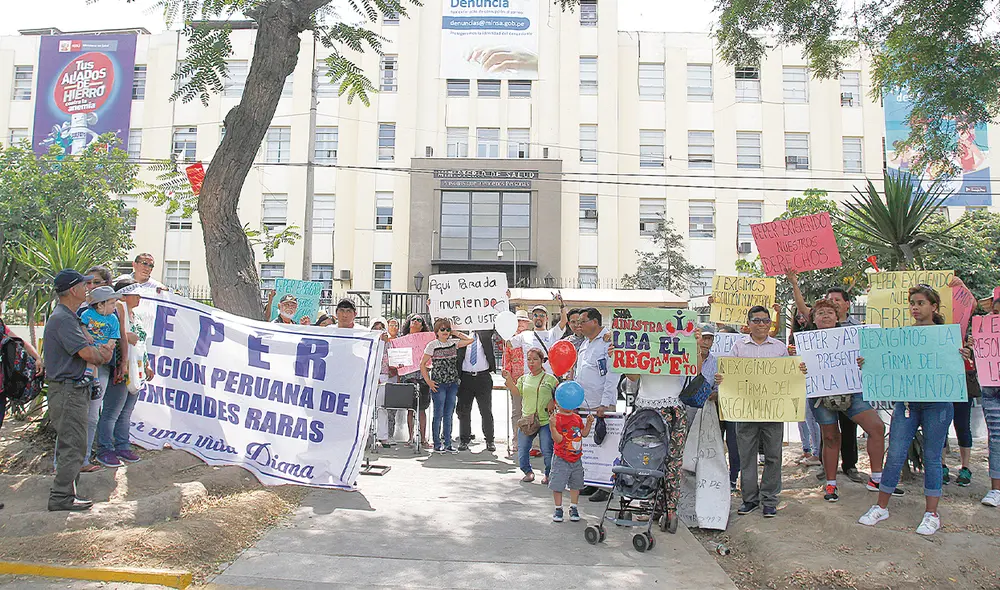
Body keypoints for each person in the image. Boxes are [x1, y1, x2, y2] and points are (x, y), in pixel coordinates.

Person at [858, 284, 971, 535]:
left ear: (933, 307)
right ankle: (881, 507)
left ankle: (931, 514)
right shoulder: (902, 336)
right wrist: (869, 362)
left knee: (932, 458)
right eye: (913, 303)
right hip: (907, 403)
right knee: (896, 453)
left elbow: (956, 368)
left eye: (920, 303)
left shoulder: (947, 337)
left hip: (938, 404)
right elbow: (887, 364)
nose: (915, 308)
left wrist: (962, 355)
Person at [789, 299, 889, 503]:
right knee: (831, 437)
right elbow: (793, 372)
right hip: (820, 395)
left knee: (877, 427)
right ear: (813, 319)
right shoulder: (804, 342)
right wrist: (796, 362)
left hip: (852, 393)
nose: (825, 316)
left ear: (837, 317)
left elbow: (874, 357)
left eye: (829, 312)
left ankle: (877, 478)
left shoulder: (854, 337)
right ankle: (831, 483)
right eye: (820, 313)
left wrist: (864, 361)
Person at [716, 305, 808, 518]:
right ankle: (749, 499)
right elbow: (728, 374)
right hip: (745, 411)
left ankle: (769, 499)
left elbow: (789, 376)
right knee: (746, 456)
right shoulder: (739, 348)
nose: (761, 324)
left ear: (770, 324)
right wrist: (722, 378)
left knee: (774, 456)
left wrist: (799, 369)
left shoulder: (778, 348)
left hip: (773, 411)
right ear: (748, 325)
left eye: (765, 321)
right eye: (756, 321)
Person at [45, 270, 115, 511]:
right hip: (67, 390)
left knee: (75, 444)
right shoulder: (64, 319)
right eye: (83, 286)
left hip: (72, 389)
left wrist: (99, 354)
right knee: (72, 445)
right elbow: (87, 353)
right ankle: (61, 497)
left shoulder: (69, 317)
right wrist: (102, 354)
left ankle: (66, 494)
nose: (88, 289)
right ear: (72, 290)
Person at [788, 271, 865, 484]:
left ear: (846, 304)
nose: (832, 304)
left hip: (848, 388)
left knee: (849, 429)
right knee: (827, 431)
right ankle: (826, 466)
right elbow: (803, 308)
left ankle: (850, 466)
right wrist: (794, 283)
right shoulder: (815, 327)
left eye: (836, 301)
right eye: (829, 301)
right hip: (822, 389)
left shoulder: (857, 329)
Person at [95, 278, 154, 468]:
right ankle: (104, 448)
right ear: (123, 295)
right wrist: (122, 362)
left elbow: (141, 343)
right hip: (121, 367)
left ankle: (122, 445)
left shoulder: (136, 317)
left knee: (126, 411)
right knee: (112, 410)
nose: (138, 297)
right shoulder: (116, 314)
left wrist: (146, 364)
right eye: (134, 293)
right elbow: (109, 336)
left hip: (135, 368)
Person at [574, 307, 619, 503]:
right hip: (585, 403)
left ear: (594, 322)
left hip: (601, 404)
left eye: (582, 322)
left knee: (604, 445)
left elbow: (612, 374)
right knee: (590, 446)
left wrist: (605, 402)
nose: (579, 326)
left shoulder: (607, 342)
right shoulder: (585, 343)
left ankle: (605, 486)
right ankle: (591, 480)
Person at [80, 286, 123, 470]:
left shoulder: (113, 319)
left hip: (103, 360)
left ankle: (85, 458)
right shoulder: (86, 315)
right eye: (112, 302)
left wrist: (108, 347)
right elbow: (81, 327)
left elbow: (114, 338)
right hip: (86, 360)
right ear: (100, 305)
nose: (115, 306)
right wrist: (88, 336)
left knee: (93, 415)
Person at [504, 349, 558, 484]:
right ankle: (527, 472)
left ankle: (548, 474)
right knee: (522, 450)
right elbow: (516, 392)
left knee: (547, 449)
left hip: (545, 420)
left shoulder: (550, 379)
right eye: (529, 359)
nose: (531, 362)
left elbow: (560, 395)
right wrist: (509, 379)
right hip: (528, 420)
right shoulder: (524, 378)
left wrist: (553, 401)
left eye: (535, 359)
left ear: (542, 361)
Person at [420, 319, 474, 453]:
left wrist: (455, 332)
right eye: (442, 329)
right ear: (436, 331)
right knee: (438, 414)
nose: (445, 332)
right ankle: (437, 443)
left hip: (452, 383)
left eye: (447, 329)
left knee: (449, 413)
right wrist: (428, 381)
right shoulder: (432, 345)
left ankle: (448, 443)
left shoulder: (453, 343)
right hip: (438, 384)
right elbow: (422, 364)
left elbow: (470, 340)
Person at [549, 395, 594, 523]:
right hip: (561, 458)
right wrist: (552, 427)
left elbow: (583, 434)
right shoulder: (556, 419)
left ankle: (573, 507)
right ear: (558, 403)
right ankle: (558, 508)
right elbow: (558, 439)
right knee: (558, 484)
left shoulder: (577, 418)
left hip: (576, 458)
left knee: (576, 484)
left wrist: (589, 424)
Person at [456, 328, 498, 452]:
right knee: (464, 410)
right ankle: (464, 439)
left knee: (486, 410)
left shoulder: (485, 333)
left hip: (483, 377)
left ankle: (490, 440)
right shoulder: (460, 334)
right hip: (465, 377)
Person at [400, 314, 432, 448]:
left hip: (423, 378)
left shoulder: (427, 340)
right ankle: (411, 437)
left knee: (422, 409)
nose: (416, 322)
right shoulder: (401, 340)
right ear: (409, 323)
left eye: (419, 320)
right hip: (408, 378)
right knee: (410, 409)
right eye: (414, 320)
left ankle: (423, 438)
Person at [980, 297, 1000, 507]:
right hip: (991, 389)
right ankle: (996, 489)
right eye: (995, 313)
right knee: (996, 438)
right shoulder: (985, 330)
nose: (995, 318)